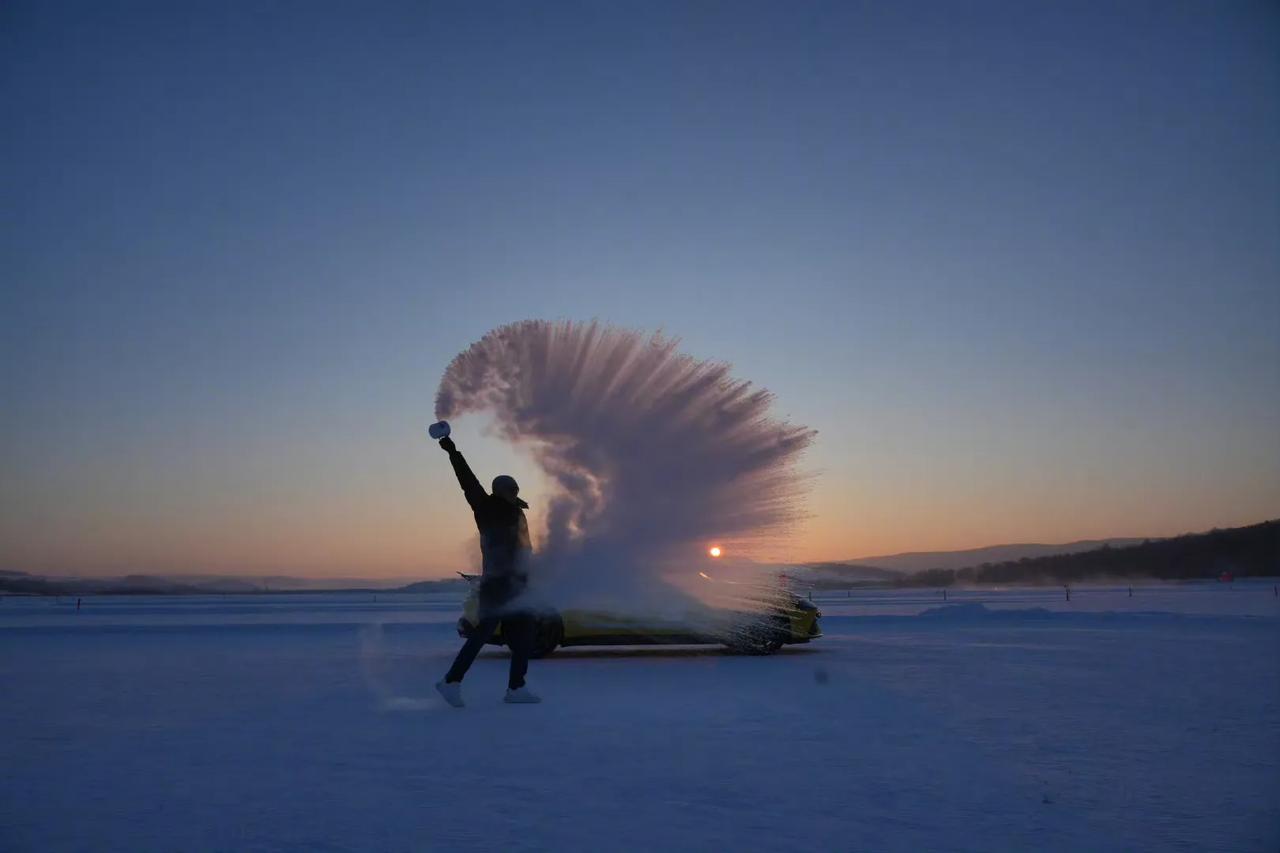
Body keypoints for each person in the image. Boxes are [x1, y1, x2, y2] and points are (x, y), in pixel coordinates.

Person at [434, 433, 541, 707]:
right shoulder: (486, 507)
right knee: (482, 633)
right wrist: (452, 450)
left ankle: (516, 688)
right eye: (510, 490)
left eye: (516, 490)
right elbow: (467, 480)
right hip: (497, 585)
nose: (514, 494)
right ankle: (450, 681)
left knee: (523, 637)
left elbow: (525, 551)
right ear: (499, 491)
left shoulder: (517, 513)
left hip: (517, 585)